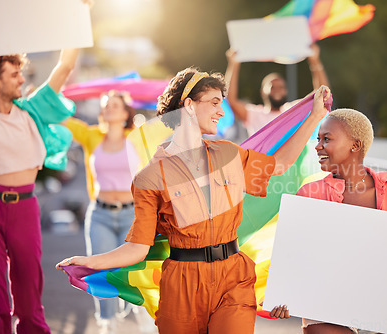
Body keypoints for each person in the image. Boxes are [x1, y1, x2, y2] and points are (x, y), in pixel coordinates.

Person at [56, 67, 331, 334]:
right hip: (181, 286)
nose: (221, 112)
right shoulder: (149, 178)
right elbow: (138, 248)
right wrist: (92, 262)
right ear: (188, 105)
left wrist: (315, 115)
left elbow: (280, 164)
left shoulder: (228, 154)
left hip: (233, 279)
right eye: (213, 102)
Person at [268, 108, 387, 334]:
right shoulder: (309, 194)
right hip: (325, 303)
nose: (318, 146)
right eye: (318, 139)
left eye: (327, 139)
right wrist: (282, 297)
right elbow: (293, 255)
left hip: (384, 302)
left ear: (355, 145)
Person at [0, 46, 81, 333]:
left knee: (28, 286)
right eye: (14, 75)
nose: (22, 80)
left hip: (24, 207)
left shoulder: (32, 110)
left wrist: (77, 18)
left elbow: (64, 67)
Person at [64, 90, 155, 333]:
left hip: (133, 214)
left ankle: (144, 321)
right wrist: (47, 96)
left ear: (126, 112)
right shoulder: (92, 136)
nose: (111, 108)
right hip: (100, 215)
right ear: (102, 112)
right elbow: (64, 120)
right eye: (107, 105)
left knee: (136, 270)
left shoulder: (137, 137)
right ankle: (108, 324)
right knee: (99, 269)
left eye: (116, 105)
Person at [225, 43, 330, 137]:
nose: (277, 90)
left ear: (286, 91)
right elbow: (231, 100)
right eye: (272, 87)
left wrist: (315, 61)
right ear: (262, 92)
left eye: (281, 87)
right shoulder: (254, 114)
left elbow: (322, 94)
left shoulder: (293, 110)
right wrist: (233, 64)